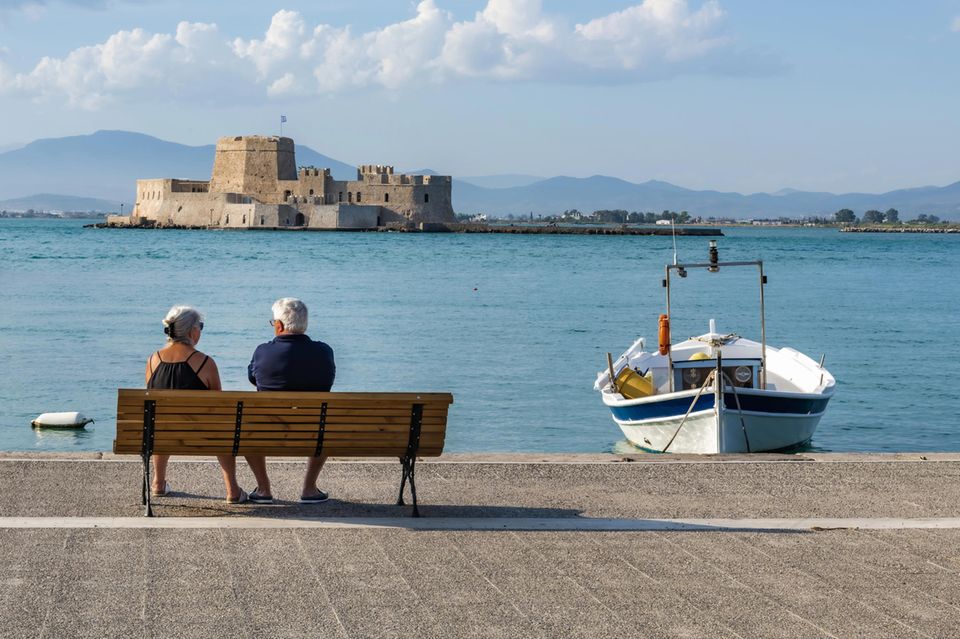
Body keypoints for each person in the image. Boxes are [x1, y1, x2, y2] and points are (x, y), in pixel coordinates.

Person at [145, 305, 247, 503]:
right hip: (202, 435)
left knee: (160, 421)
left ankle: (158, 483)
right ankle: (232, 490)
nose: (200, 330)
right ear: (192, 331)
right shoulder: (205, 363)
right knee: (222, 427)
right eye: (200, 326)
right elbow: (219, 405)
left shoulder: (152, 361)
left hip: (162, 434)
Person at [246, 298, 336, 504]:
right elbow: (327, 382)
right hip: (314, 430)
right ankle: (309, 488)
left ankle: (264, 489)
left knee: (246, 426)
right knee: (326, 423)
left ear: (279, 325)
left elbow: (253, 378)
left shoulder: (262, 351)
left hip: (267, 429)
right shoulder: (324, 351)